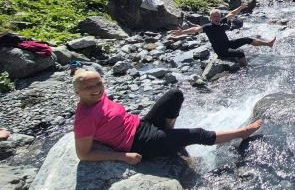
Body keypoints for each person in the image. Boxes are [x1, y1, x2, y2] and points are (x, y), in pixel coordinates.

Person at [73, 69, 262, 164]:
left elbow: (82, 76)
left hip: (142, 125)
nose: (97, 90)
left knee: (174, 94)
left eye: (99, 84)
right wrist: (122, 157)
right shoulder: (85, 117)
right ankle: (242, 133)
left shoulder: (98, 97)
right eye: (89, 87)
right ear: (78, 92)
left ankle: (169, 137)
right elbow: (83, 154)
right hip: (138, 143)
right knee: (196, 134)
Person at [170, 2, 275, 66]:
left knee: (247, 39)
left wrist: (241, 7)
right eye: (214, 16)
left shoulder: (221, 22)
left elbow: (231, 14)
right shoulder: (208, 27)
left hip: (228, 44)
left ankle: (268, 44)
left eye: (218, 16)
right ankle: (245, 68)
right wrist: (182, 32)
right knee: (240, 53)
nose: (217, 18)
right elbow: (195, 29)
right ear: (211, 18)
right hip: (222, 51)